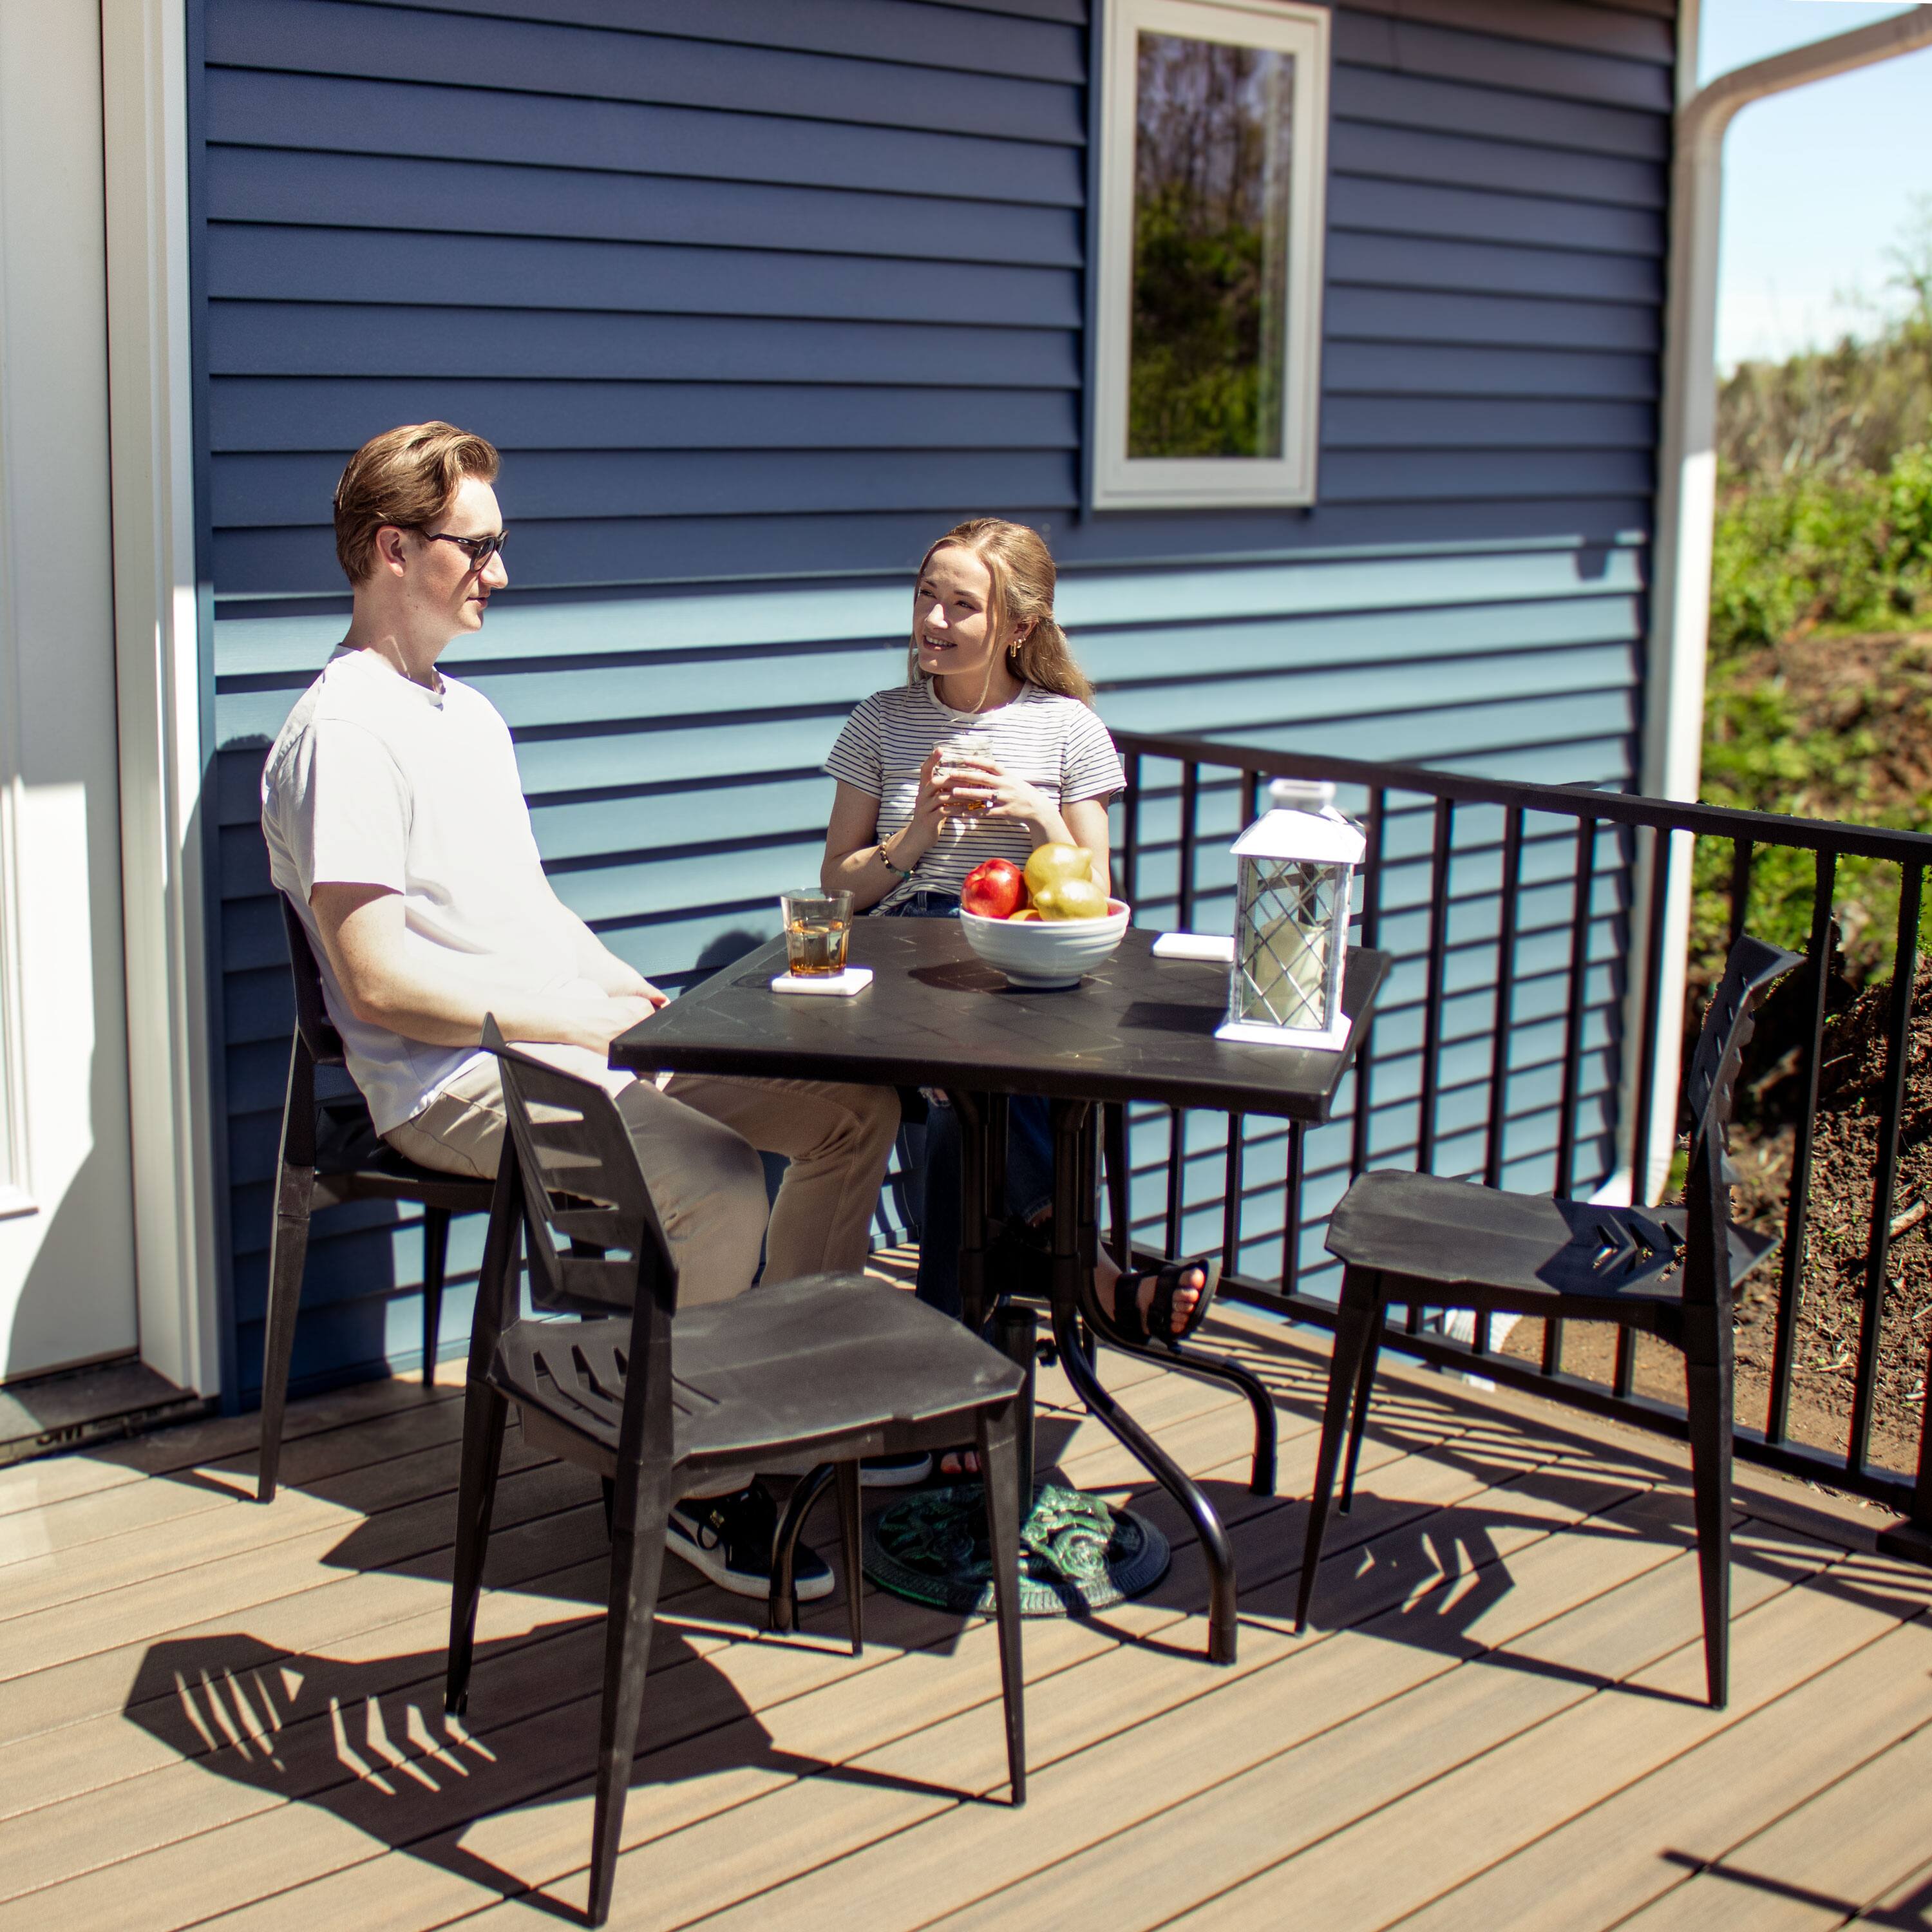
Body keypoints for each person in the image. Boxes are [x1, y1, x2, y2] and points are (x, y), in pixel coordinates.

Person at [261, 422, 900, 1602]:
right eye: (479, 547)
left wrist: (629, 993)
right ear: (394, 549)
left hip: (562, 1042)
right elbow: (379, 984)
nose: (501, 572)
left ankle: (775, 1410)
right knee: (710, 1180)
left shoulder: (469, 716)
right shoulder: (344, 736)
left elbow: (531, 910)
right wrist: (571, 1022)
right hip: (452, 1083)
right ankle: (685, 1490)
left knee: (848, 1110)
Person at [820, 518, 1216, 1377]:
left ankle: (946, 1377)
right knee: (981, 1080)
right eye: (928, 594)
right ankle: (1083, 1262)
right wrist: (915, 835)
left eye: (963, 605)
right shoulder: (881, 723)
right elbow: (837, 892)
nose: (933, 619)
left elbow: (1096, 894)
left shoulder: (1067, 729)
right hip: (905, 953)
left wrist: (1034, 813)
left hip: (1021, 957)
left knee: (978, 1104)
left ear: (1020, 628)